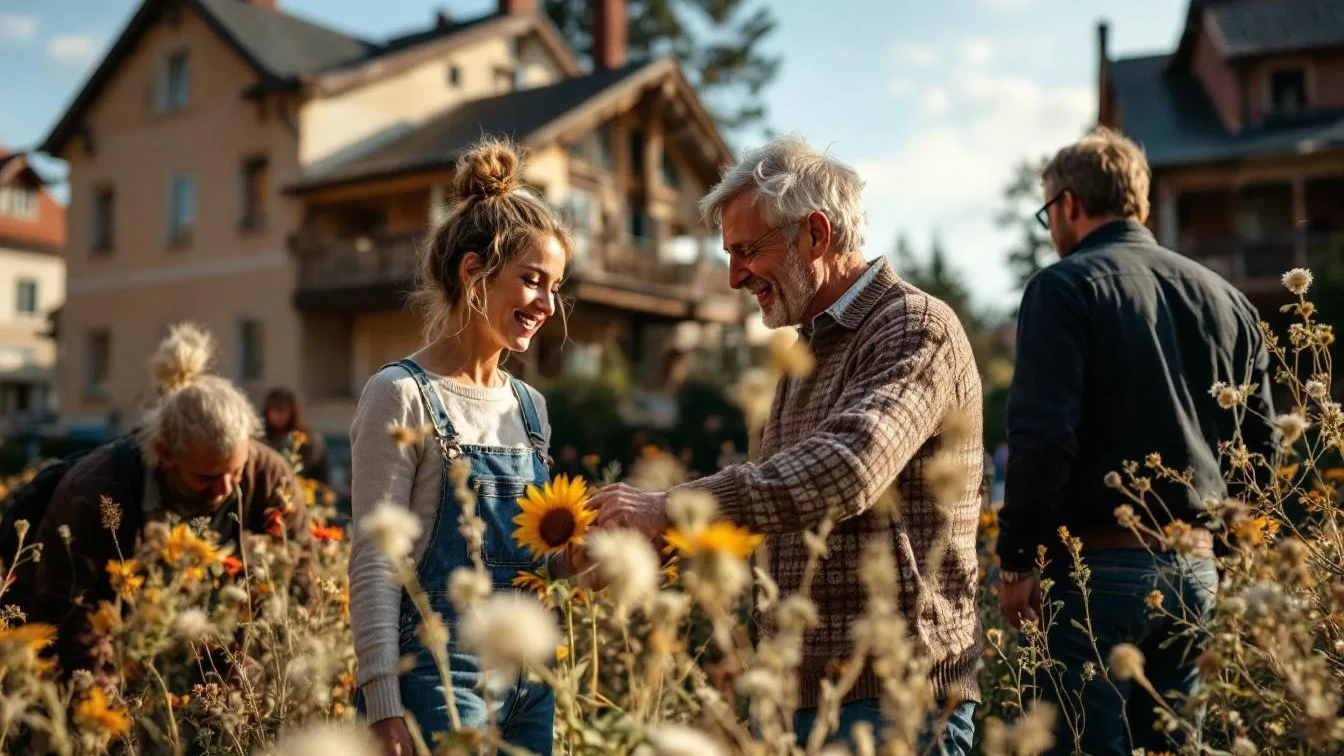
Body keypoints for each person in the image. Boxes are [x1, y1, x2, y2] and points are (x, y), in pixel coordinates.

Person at [587, 135, 984, 753]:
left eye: (747, 251)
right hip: (806, 699)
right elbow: (777, 504)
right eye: (729, 254)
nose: (733, 275)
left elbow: (847, 470)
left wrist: (674, 505)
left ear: (816, 236)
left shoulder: (915, 326)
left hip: (896, 701)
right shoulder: (806, 352)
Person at [995, 126, 1276, 756]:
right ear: (1142, 206)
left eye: (1048, 212)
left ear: (1068, 204)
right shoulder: (1230, 301)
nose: (1049, 227)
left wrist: (1017, 558)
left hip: (1097, 570)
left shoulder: (1063, 287)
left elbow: (1043, 435)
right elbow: (1259, 453)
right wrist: (1223, 555)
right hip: (1197, 571)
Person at [348, 137, 569, 756]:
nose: (545, 305)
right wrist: (381, 701)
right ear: (474, 272)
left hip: (530, 679)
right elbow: (374, 561)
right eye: (531, 281)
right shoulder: (400, 394)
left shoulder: (530, 410)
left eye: (554, 288)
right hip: (438, 679)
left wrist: (577, 560)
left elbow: (526, 561)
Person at [31, 322, 309, 675]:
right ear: (164, 454)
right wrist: (102, 700)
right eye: (206, 477)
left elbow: (298, 572)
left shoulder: (268, 476)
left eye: (235, 472)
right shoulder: (97, 490)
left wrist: (258, 664)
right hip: (119, 654)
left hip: (223, 656)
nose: (225, 488)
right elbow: (68, 608)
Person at [262, 386, 330, 485]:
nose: (274, 415)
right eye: (270, 410)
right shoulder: (261, 439)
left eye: (280, 410)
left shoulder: (310, 442)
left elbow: (320, 477)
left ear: (292, 412)